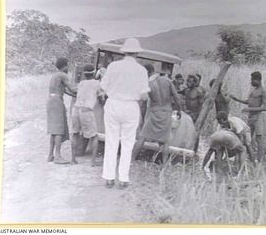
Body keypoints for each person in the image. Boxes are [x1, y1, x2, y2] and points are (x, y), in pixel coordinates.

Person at [101, 38, 150, 189]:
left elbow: (103, 88)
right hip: (131, 106)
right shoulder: (141, 70)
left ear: (124, 51)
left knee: (111, 141)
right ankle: (123, 179)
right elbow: (144, 96)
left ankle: (109, 178)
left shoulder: (113, 66)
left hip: (113, 104)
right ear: (137, 53)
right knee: (128, 143)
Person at [132, 64, 182, 164]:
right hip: (167, 111)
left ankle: (131, 159)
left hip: (154, 112)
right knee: (166, 141)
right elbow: (176, 97)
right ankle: (164, 164)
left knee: (142, 137)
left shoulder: (148, 84)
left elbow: (143, 100)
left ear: (147, 73)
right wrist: (179, 109)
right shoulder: (167, 80)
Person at [70, 64, 104, 166]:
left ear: (84, 74)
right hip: (86, 111)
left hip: (76, 110)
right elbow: (101, 99)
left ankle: (73, 159)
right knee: (94, 136)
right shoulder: (97, 84)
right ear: (94, 73)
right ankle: (93, 162)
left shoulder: (81, 83)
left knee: (75, 134)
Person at [230, 71, 266, 162]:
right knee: (247, 138)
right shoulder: (253, 90)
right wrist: (237, 99)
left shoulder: (263, 92)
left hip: (257, 118)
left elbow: (264, 107)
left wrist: (249, 109)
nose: (251, 82)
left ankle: (259, 160)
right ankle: (248, 158)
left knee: (259, 139)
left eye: (252, 80)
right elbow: (249, 102)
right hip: (250, 118)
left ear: (258, 80)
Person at [46, 57, 77, 164]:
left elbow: (66, 91)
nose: (68, 67)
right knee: (59, 130)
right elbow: (72, 89)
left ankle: (51, 155)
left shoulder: (55, 75)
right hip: (57, 102)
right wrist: (84, 88)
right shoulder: (63, 75)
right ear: (65, 65)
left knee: (54, 130)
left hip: (51, 101)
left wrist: (75, 94)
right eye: (67, 65)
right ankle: (58, 157)